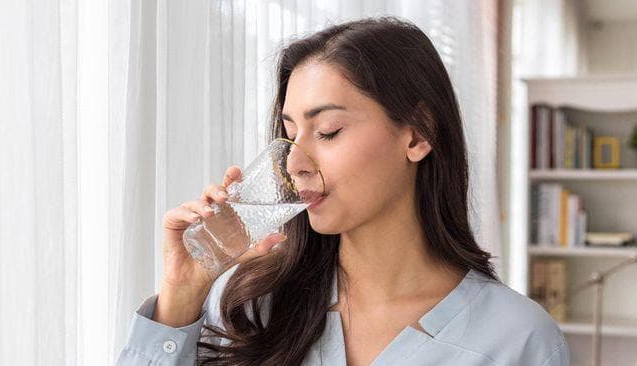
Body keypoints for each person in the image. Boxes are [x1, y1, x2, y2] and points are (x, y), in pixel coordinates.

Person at [117, 16, 569, 366]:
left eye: (329, 131)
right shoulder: (251, 305)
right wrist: (180, 296)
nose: (294, 162)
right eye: (290, 133)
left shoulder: (518, 340)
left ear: (417, 135)